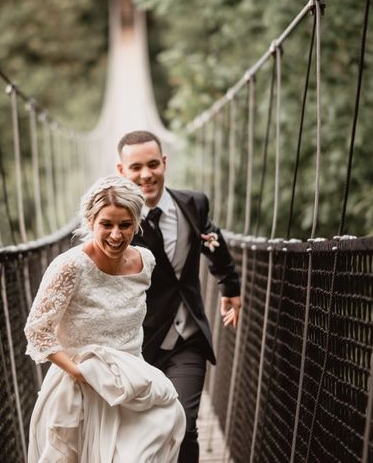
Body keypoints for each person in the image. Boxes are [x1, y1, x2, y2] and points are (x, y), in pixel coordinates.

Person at [24, 175, 186, 462]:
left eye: (124, 225)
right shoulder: (69, 266)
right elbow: (38, 331)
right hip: (80, 391)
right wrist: (79, 373)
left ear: (136, 223)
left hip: (132, 387)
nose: (115, 235)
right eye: (106, 224)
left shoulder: (145, 261)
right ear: (90, 221)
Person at [116, 130, 241, 463]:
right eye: (136, 167)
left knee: (184, 427)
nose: (146, 175)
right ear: (122, 171)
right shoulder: (118, 220)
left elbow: (212, 240)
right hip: (138, 344)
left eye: (153, 164)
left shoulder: (193, 203)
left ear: (164, 163)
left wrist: (230, 286)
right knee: (142, 434)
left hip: (188, 339)